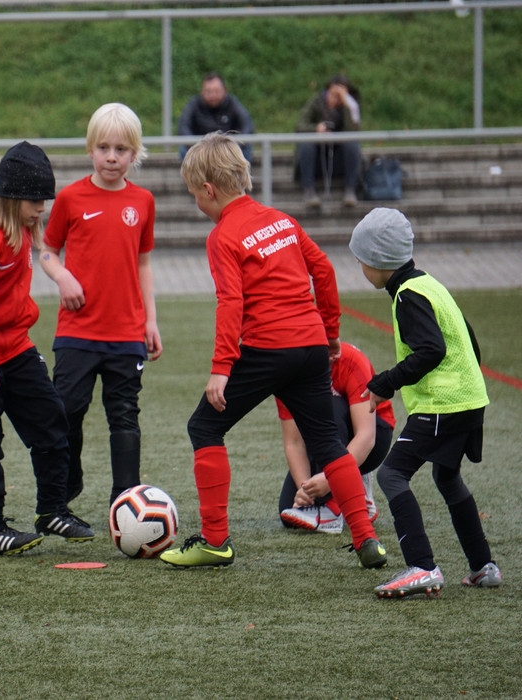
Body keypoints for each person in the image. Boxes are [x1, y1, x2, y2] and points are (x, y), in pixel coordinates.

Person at [159, 132, 386, 572]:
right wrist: (331, 334)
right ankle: (366, 538)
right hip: (311, 346)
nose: (195, 203)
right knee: (327, 441)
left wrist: (221, 367)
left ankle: (215, 541)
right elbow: (323, 270)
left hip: (269, 348)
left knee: (204, 426)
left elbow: (231, 301)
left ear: (208, 189)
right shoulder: (282, 220)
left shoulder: (222, 235)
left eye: (193, 195)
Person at [0, 141, 95, 556]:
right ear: (11, 198)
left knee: (52, 420)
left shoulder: (25, 232)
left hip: (15, 348)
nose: (41, 208)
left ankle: (52, 510)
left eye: (45, 200)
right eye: (34, 201)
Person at [349, 207, 501, 598]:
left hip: (443, 404)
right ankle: (483, 566)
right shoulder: (429, 283)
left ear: (378, 260)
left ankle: (422, 567)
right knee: (446, 477)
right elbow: (467, 338)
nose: (359, 266)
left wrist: (386, 383)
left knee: (391, 474)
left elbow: (431, 350)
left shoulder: (408, 296)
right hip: (470, 399)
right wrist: (469, 388)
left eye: (361, 258)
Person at [39, 102, 163, 506]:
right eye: (104, 148)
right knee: (66, 410)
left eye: (121, 150)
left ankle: (125, 500)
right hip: (77, 331)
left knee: (124, 414)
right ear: (90, 149)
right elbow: (47, 251)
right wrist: (63, 277)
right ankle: (67, 482)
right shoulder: (71, 197)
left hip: (126, 333)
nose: (112, 157)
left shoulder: (143, 201)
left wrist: (150, 320)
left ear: (134, 153)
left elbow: (143, 263)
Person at [277, 341, 396, 533]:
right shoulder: (288, 370)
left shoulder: (351, 361)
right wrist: (305, 490)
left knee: (327, 406)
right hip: (324, 439)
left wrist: (331, 479)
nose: (333, 353)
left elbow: (366, 435)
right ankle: (356, 488)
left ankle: (334, 507)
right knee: (289, 513)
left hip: (373, 436)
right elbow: (294, 442)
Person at [295, 74, 362, 209]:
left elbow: (353, 131)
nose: (335, 98)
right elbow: (300, 125)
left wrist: (346, 106)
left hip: (338, 157)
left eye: (340, 95)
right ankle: (309, 191)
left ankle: (350, 190)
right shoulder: (316, 102)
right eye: (333, 94)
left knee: (352, 145)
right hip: (316, 157)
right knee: (306, 145)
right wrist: (316, 129)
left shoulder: (350, 107)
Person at [177, 72, 255, 163]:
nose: (213, 95)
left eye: (217, 91)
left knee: (246, 147)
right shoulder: (193, 104)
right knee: (184, 149)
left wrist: (233, 147)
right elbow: (183, 127)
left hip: (229, 150)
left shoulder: (233, 103)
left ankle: (239, 171)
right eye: (208, 91)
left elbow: (247, 125)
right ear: (202, 92)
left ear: (225, 91)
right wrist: (198, 147)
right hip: (200, 151)